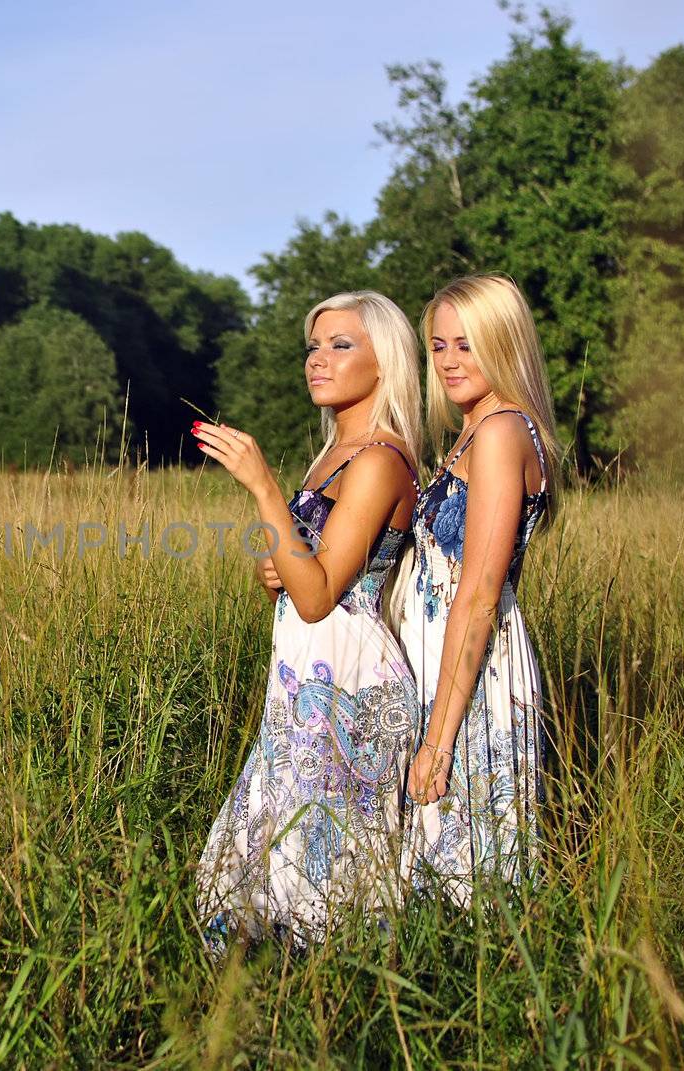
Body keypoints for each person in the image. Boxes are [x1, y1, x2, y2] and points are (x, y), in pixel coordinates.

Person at [190, 290, 425, 955]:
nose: (318, 359)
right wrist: (275, 572)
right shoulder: (333, 454)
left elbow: (322, 596)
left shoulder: (380, 458)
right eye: (313, 346)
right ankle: (270, 1003)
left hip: (349, 680)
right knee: (254, 857)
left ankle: (333, 1011)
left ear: (387, 361)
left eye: (340, 345)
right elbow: (299, 584)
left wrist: (263, 487)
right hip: (300, 675)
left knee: (325, 867)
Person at [398, 273, 560, 910]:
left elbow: (479, 595)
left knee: (471, 882)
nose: (449, 361)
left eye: (468, 344)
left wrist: (438, 740)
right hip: (441, 663)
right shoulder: (474, 431)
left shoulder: (499, 434)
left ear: (505, 344)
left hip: (475, 670)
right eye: (439, 346)